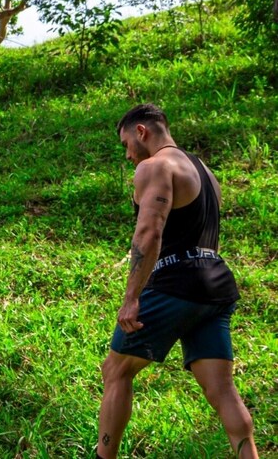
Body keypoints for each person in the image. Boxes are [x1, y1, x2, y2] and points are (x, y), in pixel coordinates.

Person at [97, 104, 258, 459]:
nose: (127, 155)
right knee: (222, 390)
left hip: (174, 283)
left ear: (142, 132)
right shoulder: (204, 171)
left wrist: (131, 297)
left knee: (116, 371)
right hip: (215, 285)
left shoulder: (155, 166)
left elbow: (149, 231)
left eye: (127, 144)